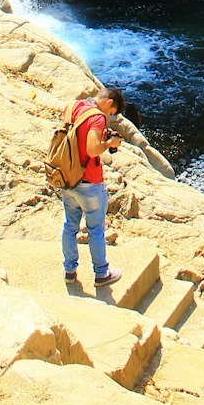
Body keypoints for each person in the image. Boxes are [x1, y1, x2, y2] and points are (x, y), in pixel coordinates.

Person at [61, 85, 125, 288]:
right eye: (111, 112)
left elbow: (76, 136)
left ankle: (69, 271)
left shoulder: (72, 107)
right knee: (96, 229)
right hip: (89, 182)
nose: (108, 115)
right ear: (109, 103)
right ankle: (101, 274)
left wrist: (102, 134)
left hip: (68, 177)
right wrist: (109, 143)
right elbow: (92, 149)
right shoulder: (97, 116)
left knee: (70, 227)